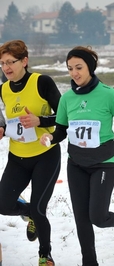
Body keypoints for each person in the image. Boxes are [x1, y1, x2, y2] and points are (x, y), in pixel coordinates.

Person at [39, 46, 114, 266]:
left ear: (90, 67)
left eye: (79, 67)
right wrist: (50, 138)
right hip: (76, 164)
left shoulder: (108, 93)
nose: (74, 73)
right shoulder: (67, 98)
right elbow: (61, 130)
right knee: (81, 220)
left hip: (103, 163)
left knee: (98, 217)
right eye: (70, 69)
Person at [0, 39, 61, 265]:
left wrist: (40, 120)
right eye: (2, 63)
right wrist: (2, 127)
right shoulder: (3, 88)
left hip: (45, 155)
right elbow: (3, 115)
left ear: (24, 61)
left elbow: (65, 114)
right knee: (3, 204)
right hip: (17, 157)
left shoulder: (41, 82)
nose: (6, 67)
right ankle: (29, 213)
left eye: (11, 62)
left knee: (39, 207)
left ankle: (45, 254)